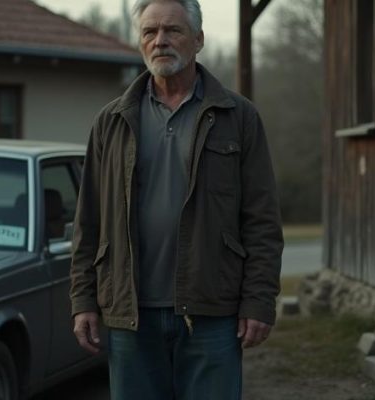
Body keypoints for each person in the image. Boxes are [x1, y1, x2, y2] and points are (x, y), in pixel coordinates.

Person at [68, 0, 284, 398]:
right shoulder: (111, 122)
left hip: (212, 311)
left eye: (173, 30)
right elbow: (89, 223)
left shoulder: (238, 117)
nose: (160, 41)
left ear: (198, 40)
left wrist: (259, 301)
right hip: (130, 313)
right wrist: (83, 300)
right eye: (149, 32)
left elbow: (262, 221)